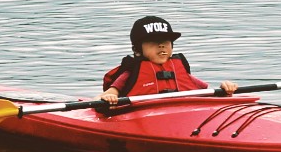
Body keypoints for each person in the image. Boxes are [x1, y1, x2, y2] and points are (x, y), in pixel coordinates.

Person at [100, 16, 238, 105]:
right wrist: (109, 98)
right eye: (153, 42)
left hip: (179, 116)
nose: (161, 46)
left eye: (166, 42)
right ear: (137, 50)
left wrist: (224, 89)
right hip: (141, 117)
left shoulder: (178, 68)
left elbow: (207, 91)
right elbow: (110, 93)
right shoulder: (131, 72)